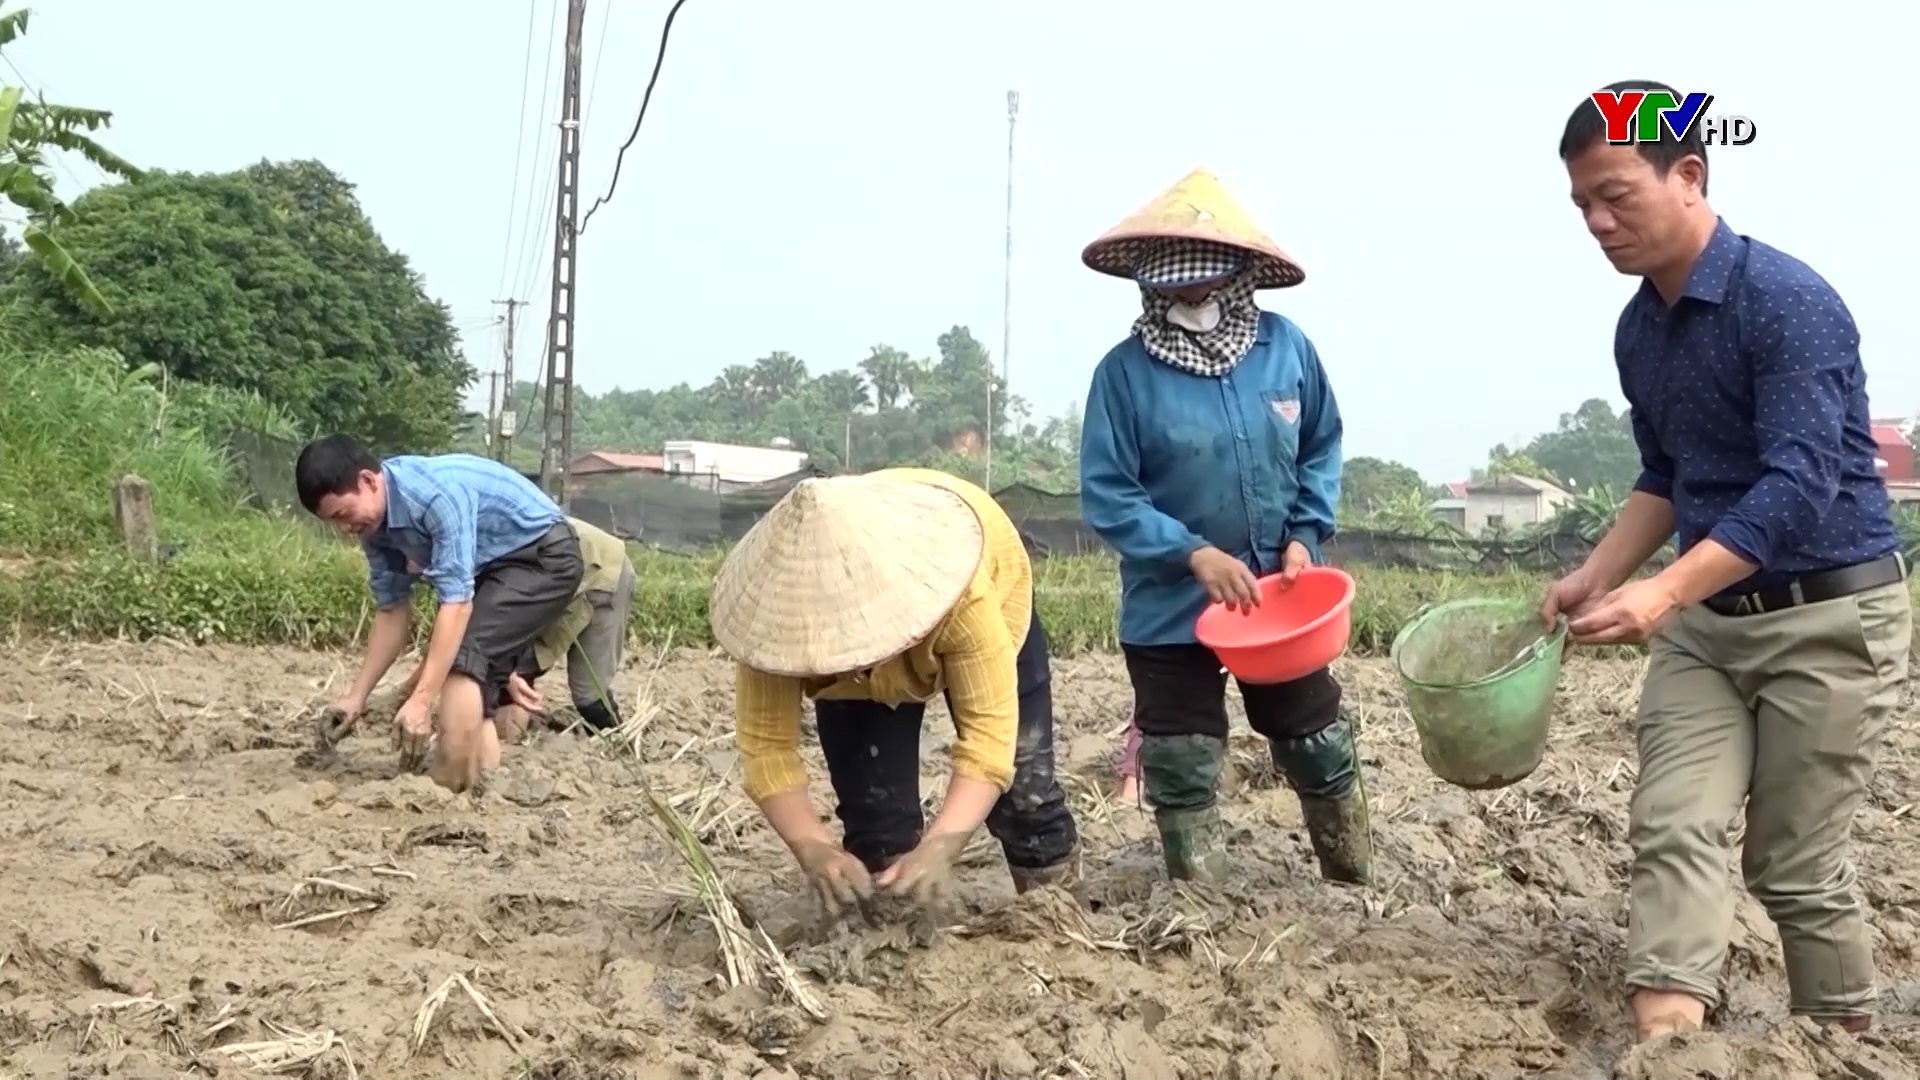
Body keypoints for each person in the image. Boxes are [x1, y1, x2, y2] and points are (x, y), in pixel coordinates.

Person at [1547, 80, 1912, 1043]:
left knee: (1793, 863)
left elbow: (1797, 488)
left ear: (1690, 175)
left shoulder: (1787, 302)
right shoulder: (1640, 330)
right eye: (1582, 202)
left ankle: (1835, 1043)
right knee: (1671, 825)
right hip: (1710, 630)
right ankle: (1668, 1039)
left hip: (1827, 619)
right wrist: (1597, 574)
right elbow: (1669, 472)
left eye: (1616, 193)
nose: (1596, 219)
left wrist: (1660, 591)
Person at [1078, 167, 1369, 887]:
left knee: (1317, 741)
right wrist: (1192, 554)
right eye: (1175, 289)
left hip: (1277, 599)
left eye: (1204, 287)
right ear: (1150, 287)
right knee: (1179, 757)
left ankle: (1351, 875)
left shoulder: (1286, 350)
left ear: (1239, 278)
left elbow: (1321, 445)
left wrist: (1306, 532)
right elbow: (1109, 493)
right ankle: (1197, 896)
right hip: (1169, 607)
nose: (1191, 300)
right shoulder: (1122, 376)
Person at [708, 467, 1081, 913]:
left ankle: (1057, 913)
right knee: (876, 825)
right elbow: (767, 749)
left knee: (1025, 793)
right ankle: (896, 936)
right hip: (846, 675)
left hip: (982, 579)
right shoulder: (773, 622)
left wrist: (944, 842)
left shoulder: (962, 594)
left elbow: (989, 739)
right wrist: (811, 846)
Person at [294, 434, 585, 793]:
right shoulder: (374, 530)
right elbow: (392, 611)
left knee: (463, 661)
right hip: (492, 569)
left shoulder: (434, 496)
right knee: (480, 678)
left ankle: (447, 786)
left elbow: (457, 603)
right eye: (332, 522)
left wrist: (420, 700)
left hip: (542, 557)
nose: (344, 528)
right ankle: (483, 783)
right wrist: (357, 697)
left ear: (368, 481)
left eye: (343, 514)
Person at [496, 515, 638, 739]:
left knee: (588, 694)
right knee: (510, 663)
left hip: (601, 568)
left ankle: (618, 743)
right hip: (566, 562)